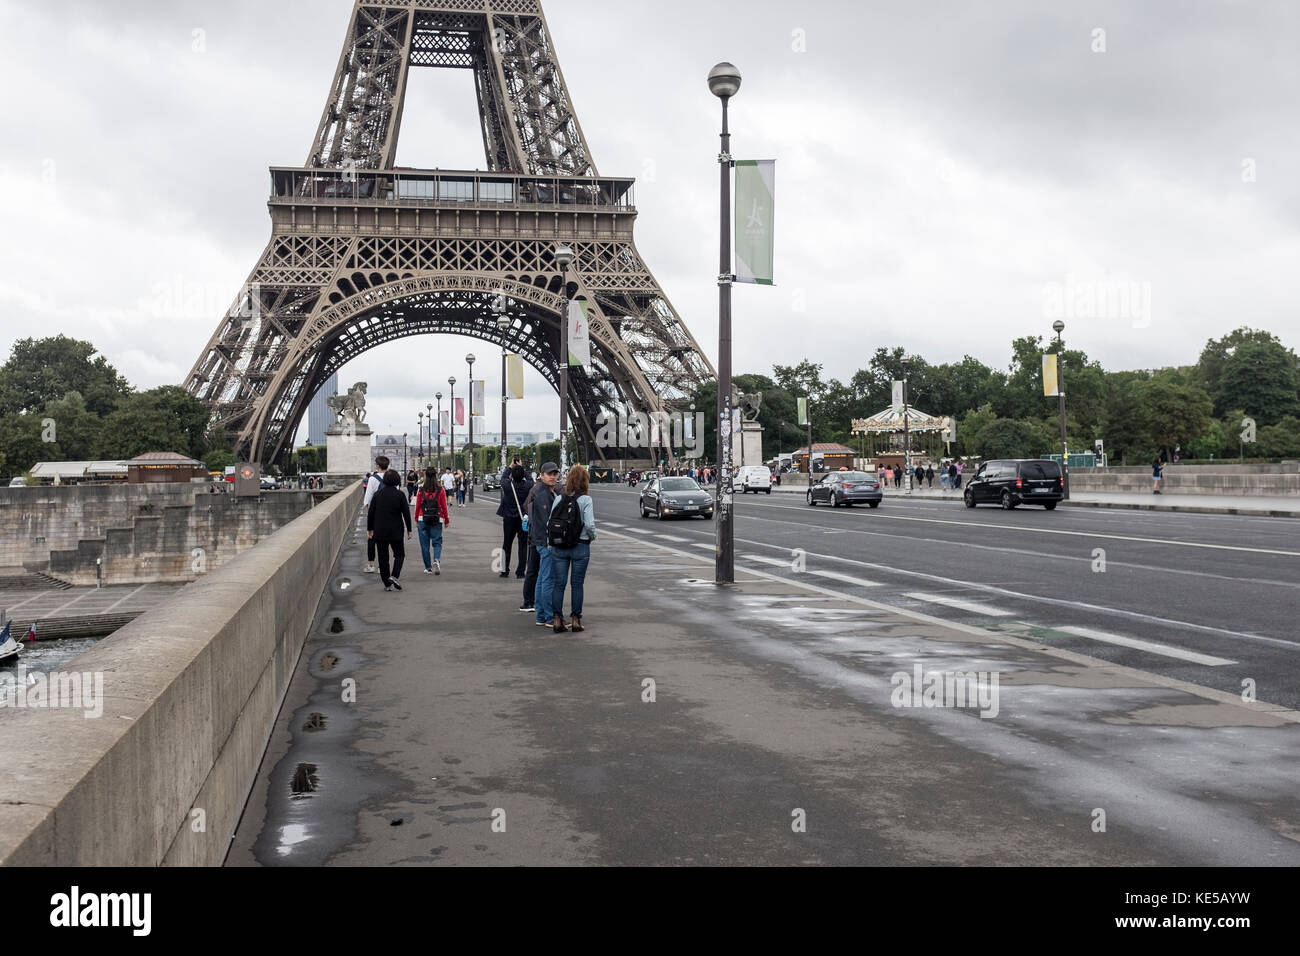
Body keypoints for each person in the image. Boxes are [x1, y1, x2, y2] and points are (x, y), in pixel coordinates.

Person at [548, 463, 596, 633]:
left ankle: (556, 619)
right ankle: (576, 619)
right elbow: (589, 525)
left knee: (558, 584)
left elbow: (550, 523)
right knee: (577, 584)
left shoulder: (560, 498)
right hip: (580, 546)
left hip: (559, 547)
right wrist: (593, 536)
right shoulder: (586, 500)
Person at [526, 461, 561, 626]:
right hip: (546, 542)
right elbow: (549, 522)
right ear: (541, 475)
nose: (553, 477)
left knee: (541, 578)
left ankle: (541, 615)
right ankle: (548, 616)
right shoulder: (543, 494)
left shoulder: (542, 491)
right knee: (548, 579)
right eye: (550, 474)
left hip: (540, 540)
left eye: (555, 474)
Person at [366, 469, 412, 591]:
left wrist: (370, 529)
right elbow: (406, 513)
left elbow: (371, 513)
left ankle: (387, 584)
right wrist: (409, 529)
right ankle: (394, 576)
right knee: (399, 555)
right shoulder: (400, 495)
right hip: (396, 530)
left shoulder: (377, 495)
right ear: (397, 480)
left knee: (383, 558)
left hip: (380, 530)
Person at [496, 463, 533, 579]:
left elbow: (503, 478)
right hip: (523, 518)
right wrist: (523, 468)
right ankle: (520, 572)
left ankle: (504, 570)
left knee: (506, 544)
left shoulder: (507, 485)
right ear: (523, 475)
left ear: (512, 474)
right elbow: (530, 479)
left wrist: (510, 467)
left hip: (508, 518)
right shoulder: (527, 486)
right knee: (522, 545)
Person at [414, 467, 450, 574]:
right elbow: (444, 506)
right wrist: (446, 520)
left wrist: (416, 518)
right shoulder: (441, 490)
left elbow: (417, 506)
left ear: (425, 476)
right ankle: (436, 560)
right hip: (437, 518)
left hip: (422, 518)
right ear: (436, 476)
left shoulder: (420, 489)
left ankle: (428, 568)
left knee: (424, 545)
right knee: (437, 541)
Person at [361, 455, 390, 573]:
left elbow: (367, 499)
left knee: (372, 539)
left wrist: (370, 516)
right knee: (385, 541)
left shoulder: (372, 479)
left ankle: (371, 565)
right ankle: (382, 566)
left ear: (377, 466)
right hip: (389, 513)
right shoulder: (392, 477)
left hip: (376, 513)